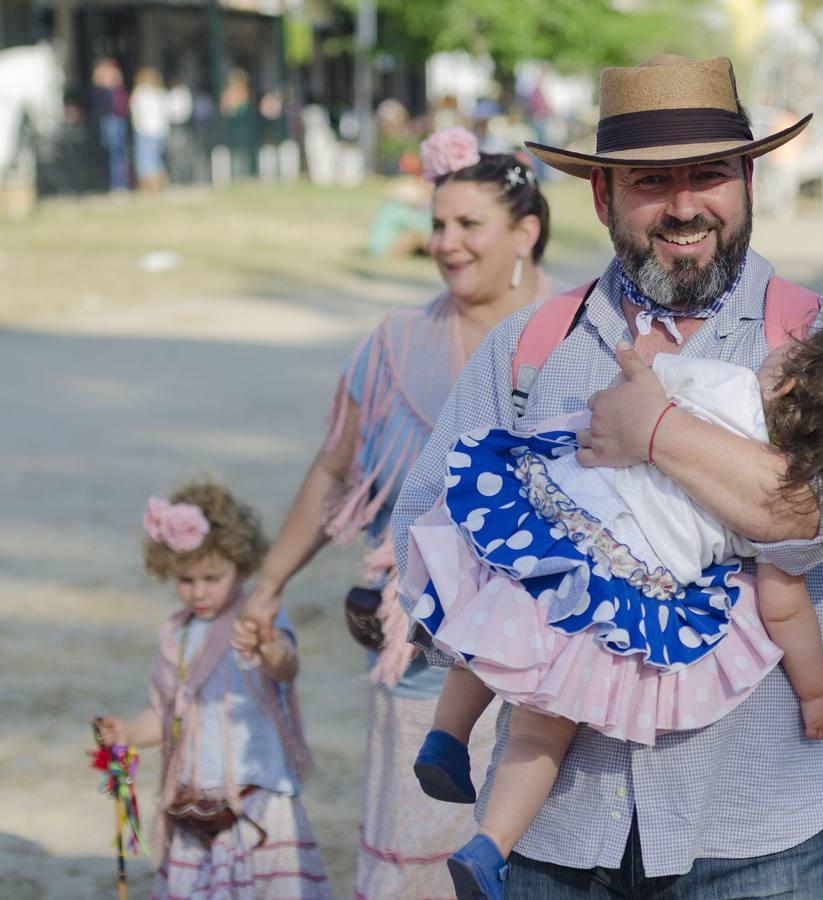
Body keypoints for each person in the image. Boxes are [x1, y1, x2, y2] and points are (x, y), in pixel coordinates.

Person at [391, 54, 823, 898]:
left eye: (708, 175)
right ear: (603, 198)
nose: (684, 205)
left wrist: (655, 436)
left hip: (765, 824)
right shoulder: (529, 347)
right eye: (651, 183)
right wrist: (541, 616)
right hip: (557, 830)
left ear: (747, 179)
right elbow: (424, 528)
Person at [407, 313, 823, 898]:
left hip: (555, 518)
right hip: (614, 594)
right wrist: (818, 693)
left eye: (790, 352)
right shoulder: (797, 479)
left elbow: (636, 390)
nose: (779, 348)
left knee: (491, 634)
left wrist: (653, 427)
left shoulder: (727, 381)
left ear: (787, 383)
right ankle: (490, 845)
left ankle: (446, 736)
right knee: (541, 729)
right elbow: (784, 605)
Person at [234, 125, 553, 899]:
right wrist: (269, 583)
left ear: (525, 232)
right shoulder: (394, 343)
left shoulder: (579, 334)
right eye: (437, 225)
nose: (446, 243)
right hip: (421, 660)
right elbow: (332, 471)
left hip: (554, 670)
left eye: (467, 224)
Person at [93, 480, 330, 898]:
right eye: (185, 579)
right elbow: (167, 714)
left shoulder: (260, 619)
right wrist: (128, 733)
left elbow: (286, 669)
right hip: (195, 799)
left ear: (242, 564)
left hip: (258, 792)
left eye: (212, 577)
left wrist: (268, 646)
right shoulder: (176, 634)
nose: (198, 591)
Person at [92, 58, 131, 191]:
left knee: (119, 155)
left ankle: (120, 184)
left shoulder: (119, 91)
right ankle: (116, 184)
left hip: (117, 122)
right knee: (113, 154)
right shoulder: (101, 92)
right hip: (110, 122)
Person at [131, 67, 171, 191]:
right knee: (155, 158)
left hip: (145, 129)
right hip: (160, 130)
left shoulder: (140, 92)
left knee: (145, 159)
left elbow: (135, 110)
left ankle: (150, 185)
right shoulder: (161, 93)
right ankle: (159, 183)